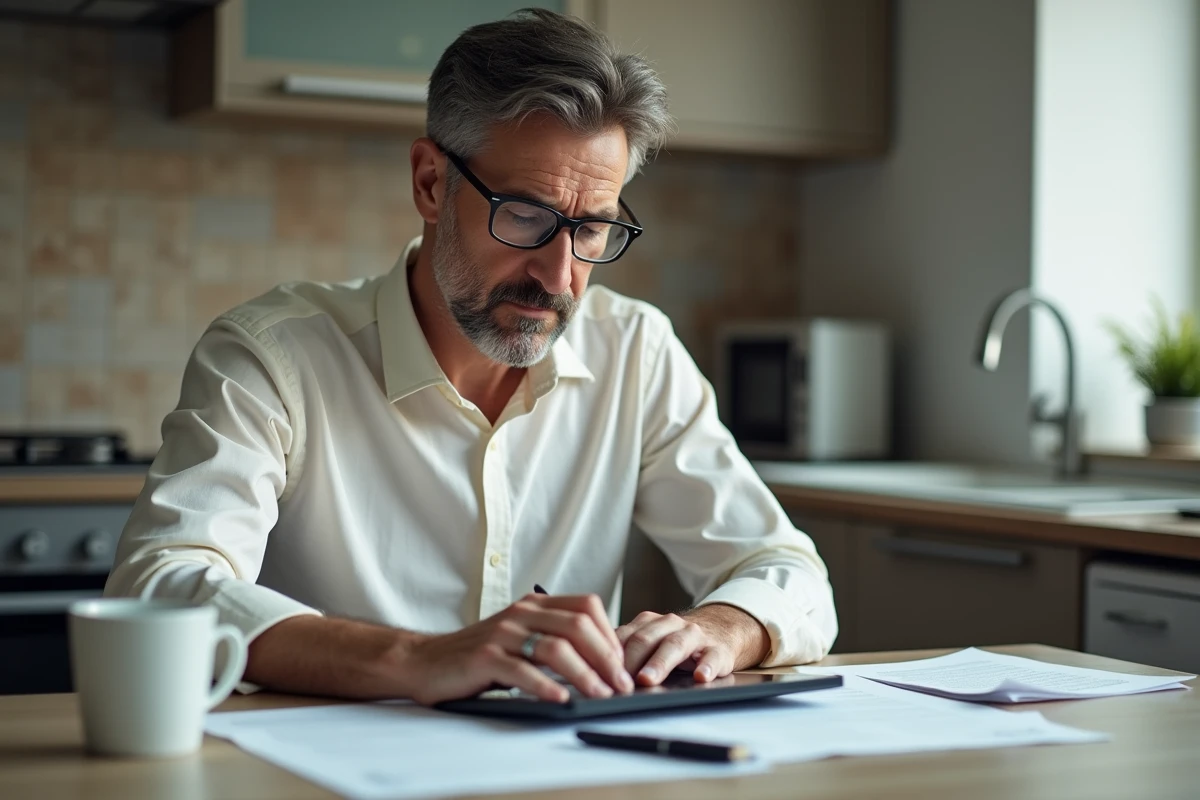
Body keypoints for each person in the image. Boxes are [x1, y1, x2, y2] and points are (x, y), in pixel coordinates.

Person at [105, 8, 837, 705]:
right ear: (430, 182)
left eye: (592, 229)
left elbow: (787, 572)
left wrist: (721, 629)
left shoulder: (635, 352)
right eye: (524, 214)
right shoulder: (273, 357)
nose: (558, 277)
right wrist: (416, 658)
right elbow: (161, 583)